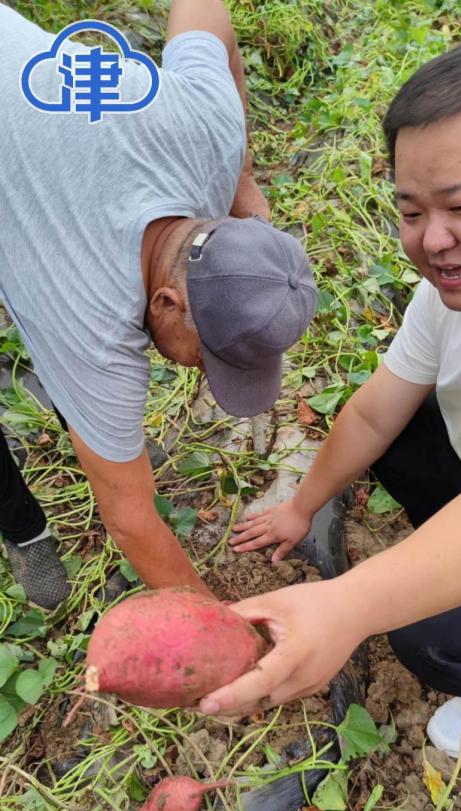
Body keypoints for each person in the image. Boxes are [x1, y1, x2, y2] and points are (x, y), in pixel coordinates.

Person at [198, 35, 461, 760]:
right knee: (394, 435)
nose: (433, 241)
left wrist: (351, 604)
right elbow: (374, 409)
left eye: (460, 204)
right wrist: (300, 507)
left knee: (431, 634)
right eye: (410, 211)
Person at [0, 1, 317, 609]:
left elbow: (204, 10)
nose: (200, 372)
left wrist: (242, 175)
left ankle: (97, 435)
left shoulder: (210, 127)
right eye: (207, 359)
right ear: (167, 302)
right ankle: (23, 529)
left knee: (97, 417)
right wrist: (218, 628)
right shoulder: (90, 318)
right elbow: (129, 521)